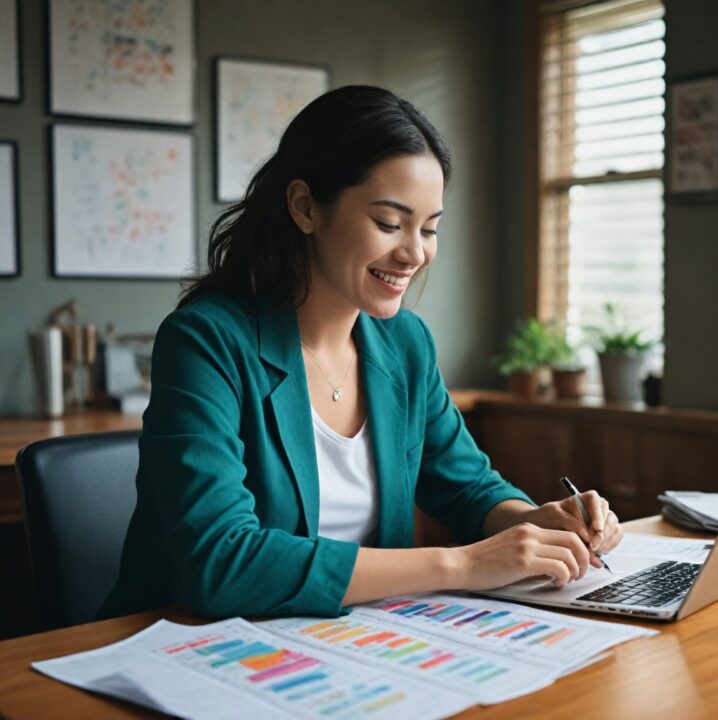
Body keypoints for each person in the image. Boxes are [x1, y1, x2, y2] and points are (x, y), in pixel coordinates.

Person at [101, 85, 623, 620]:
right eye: (389, 223)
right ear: (305, 207)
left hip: (351, 643)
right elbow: (220, 561)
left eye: (429, 229)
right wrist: (460, 566)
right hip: (183, 643)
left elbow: (469, 490)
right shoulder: (205, 342)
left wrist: (538, 522)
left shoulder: (405, 344)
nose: (414, 253)